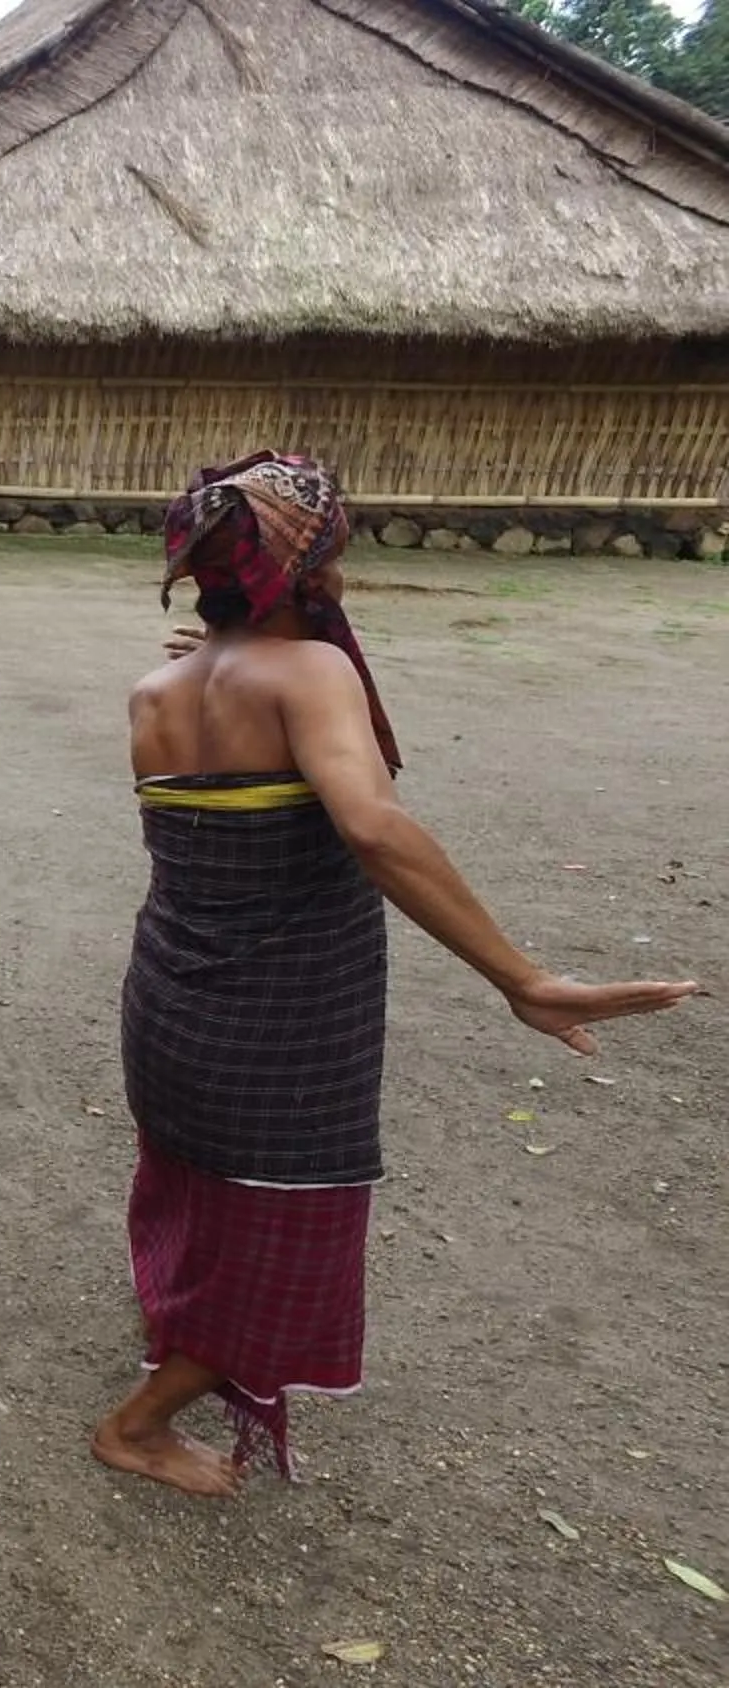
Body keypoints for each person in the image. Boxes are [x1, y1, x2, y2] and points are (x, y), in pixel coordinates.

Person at [98, 453, 696, 1495]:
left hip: (172, 1005)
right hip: (278, 1027)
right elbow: (372, 824)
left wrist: (258, 654)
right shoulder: (311, 674)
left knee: (197, 1192)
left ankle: (176, 1335)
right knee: (289, 1239)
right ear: (319, 566)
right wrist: (523, 976)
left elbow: (254, 750)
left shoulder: (161, 686)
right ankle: (140, 1426)